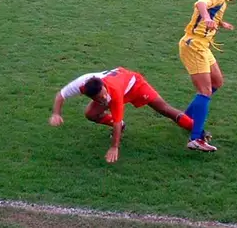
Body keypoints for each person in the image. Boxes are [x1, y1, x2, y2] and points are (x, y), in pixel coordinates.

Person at [49, 67, 197, 163]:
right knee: (90, 114)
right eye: (99, 98)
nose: (103, 98)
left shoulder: (113, 92)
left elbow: (117, 122)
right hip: (119, 85)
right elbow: (60, 95)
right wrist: (56, 113)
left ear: (103, 86)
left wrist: (114, 147)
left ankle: (197, 132)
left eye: (103, 95)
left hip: (135, 85)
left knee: (164, 109)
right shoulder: (81, 84)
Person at [177, 0, 237, 152]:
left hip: (203, 45)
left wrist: (220, 23)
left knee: (217, 82)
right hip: (194, 45)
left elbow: (211, 11)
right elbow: (201, 4)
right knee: (205, 90)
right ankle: (195, 138)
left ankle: (186, 118)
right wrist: (207, 18)